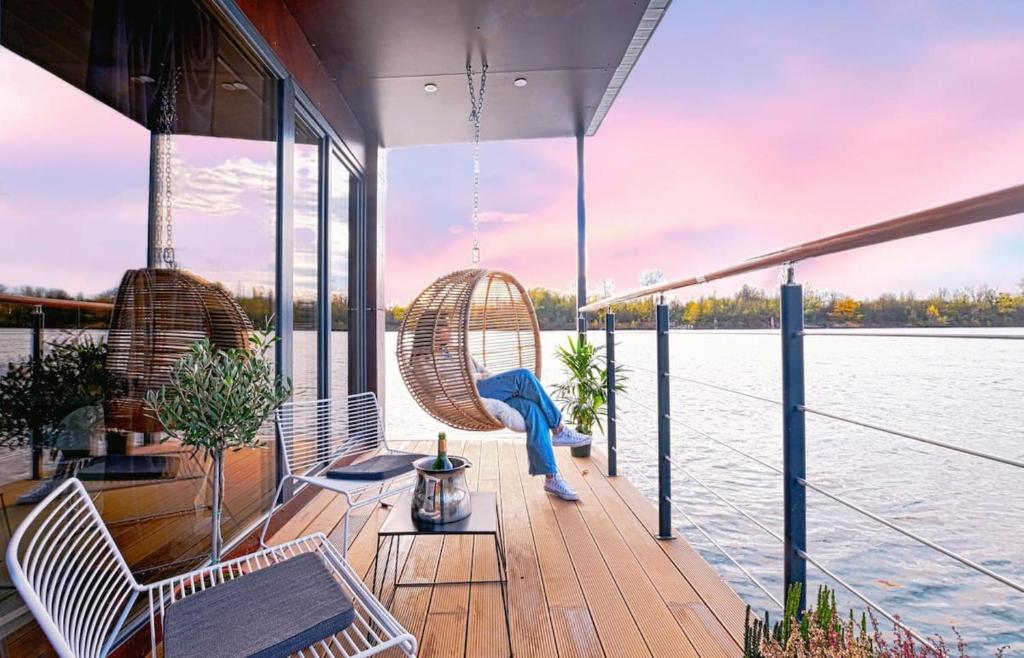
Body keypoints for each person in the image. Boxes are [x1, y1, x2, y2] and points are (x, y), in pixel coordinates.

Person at [412, 311, 590, 501]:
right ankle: (559, 429)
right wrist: (478, 378)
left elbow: (482, 370)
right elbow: (440, 388)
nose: (450, 330)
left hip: (483, 387)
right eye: (445, 326)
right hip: (468, 395)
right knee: (524, 376)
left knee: (534, 410)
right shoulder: (422, 359)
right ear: (432, 330)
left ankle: (551, 478)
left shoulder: (457, 351)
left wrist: (492, 379)